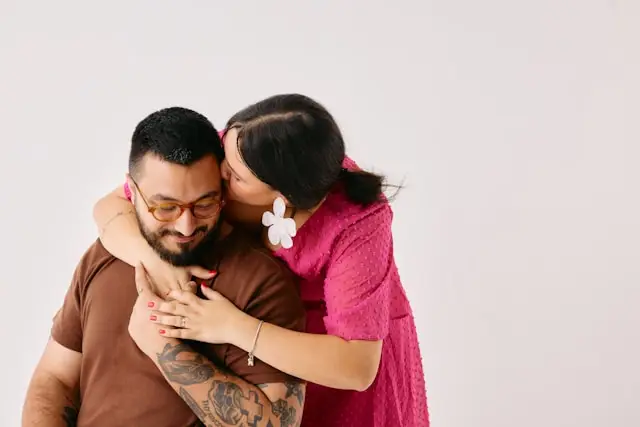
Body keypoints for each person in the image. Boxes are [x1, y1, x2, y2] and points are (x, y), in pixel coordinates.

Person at [93, 94, 429, 426]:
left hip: (332, 356)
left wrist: (233, 326)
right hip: (259, 345)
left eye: (235, 178)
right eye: (226, 155)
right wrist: (160, 264)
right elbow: (113, 206)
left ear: (282, 196)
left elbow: (356, 367)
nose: (220, 174)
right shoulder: (239, 151)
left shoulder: (357, 221)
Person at [22, 107, 307, 427]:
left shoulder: (261, 281)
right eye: (166, 207)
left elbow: (279, 423)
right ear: (133, 191)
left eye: (204, 204)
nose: (186, 226)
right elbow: (55, 378)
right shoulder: (105, 255)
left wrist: (164, 347)